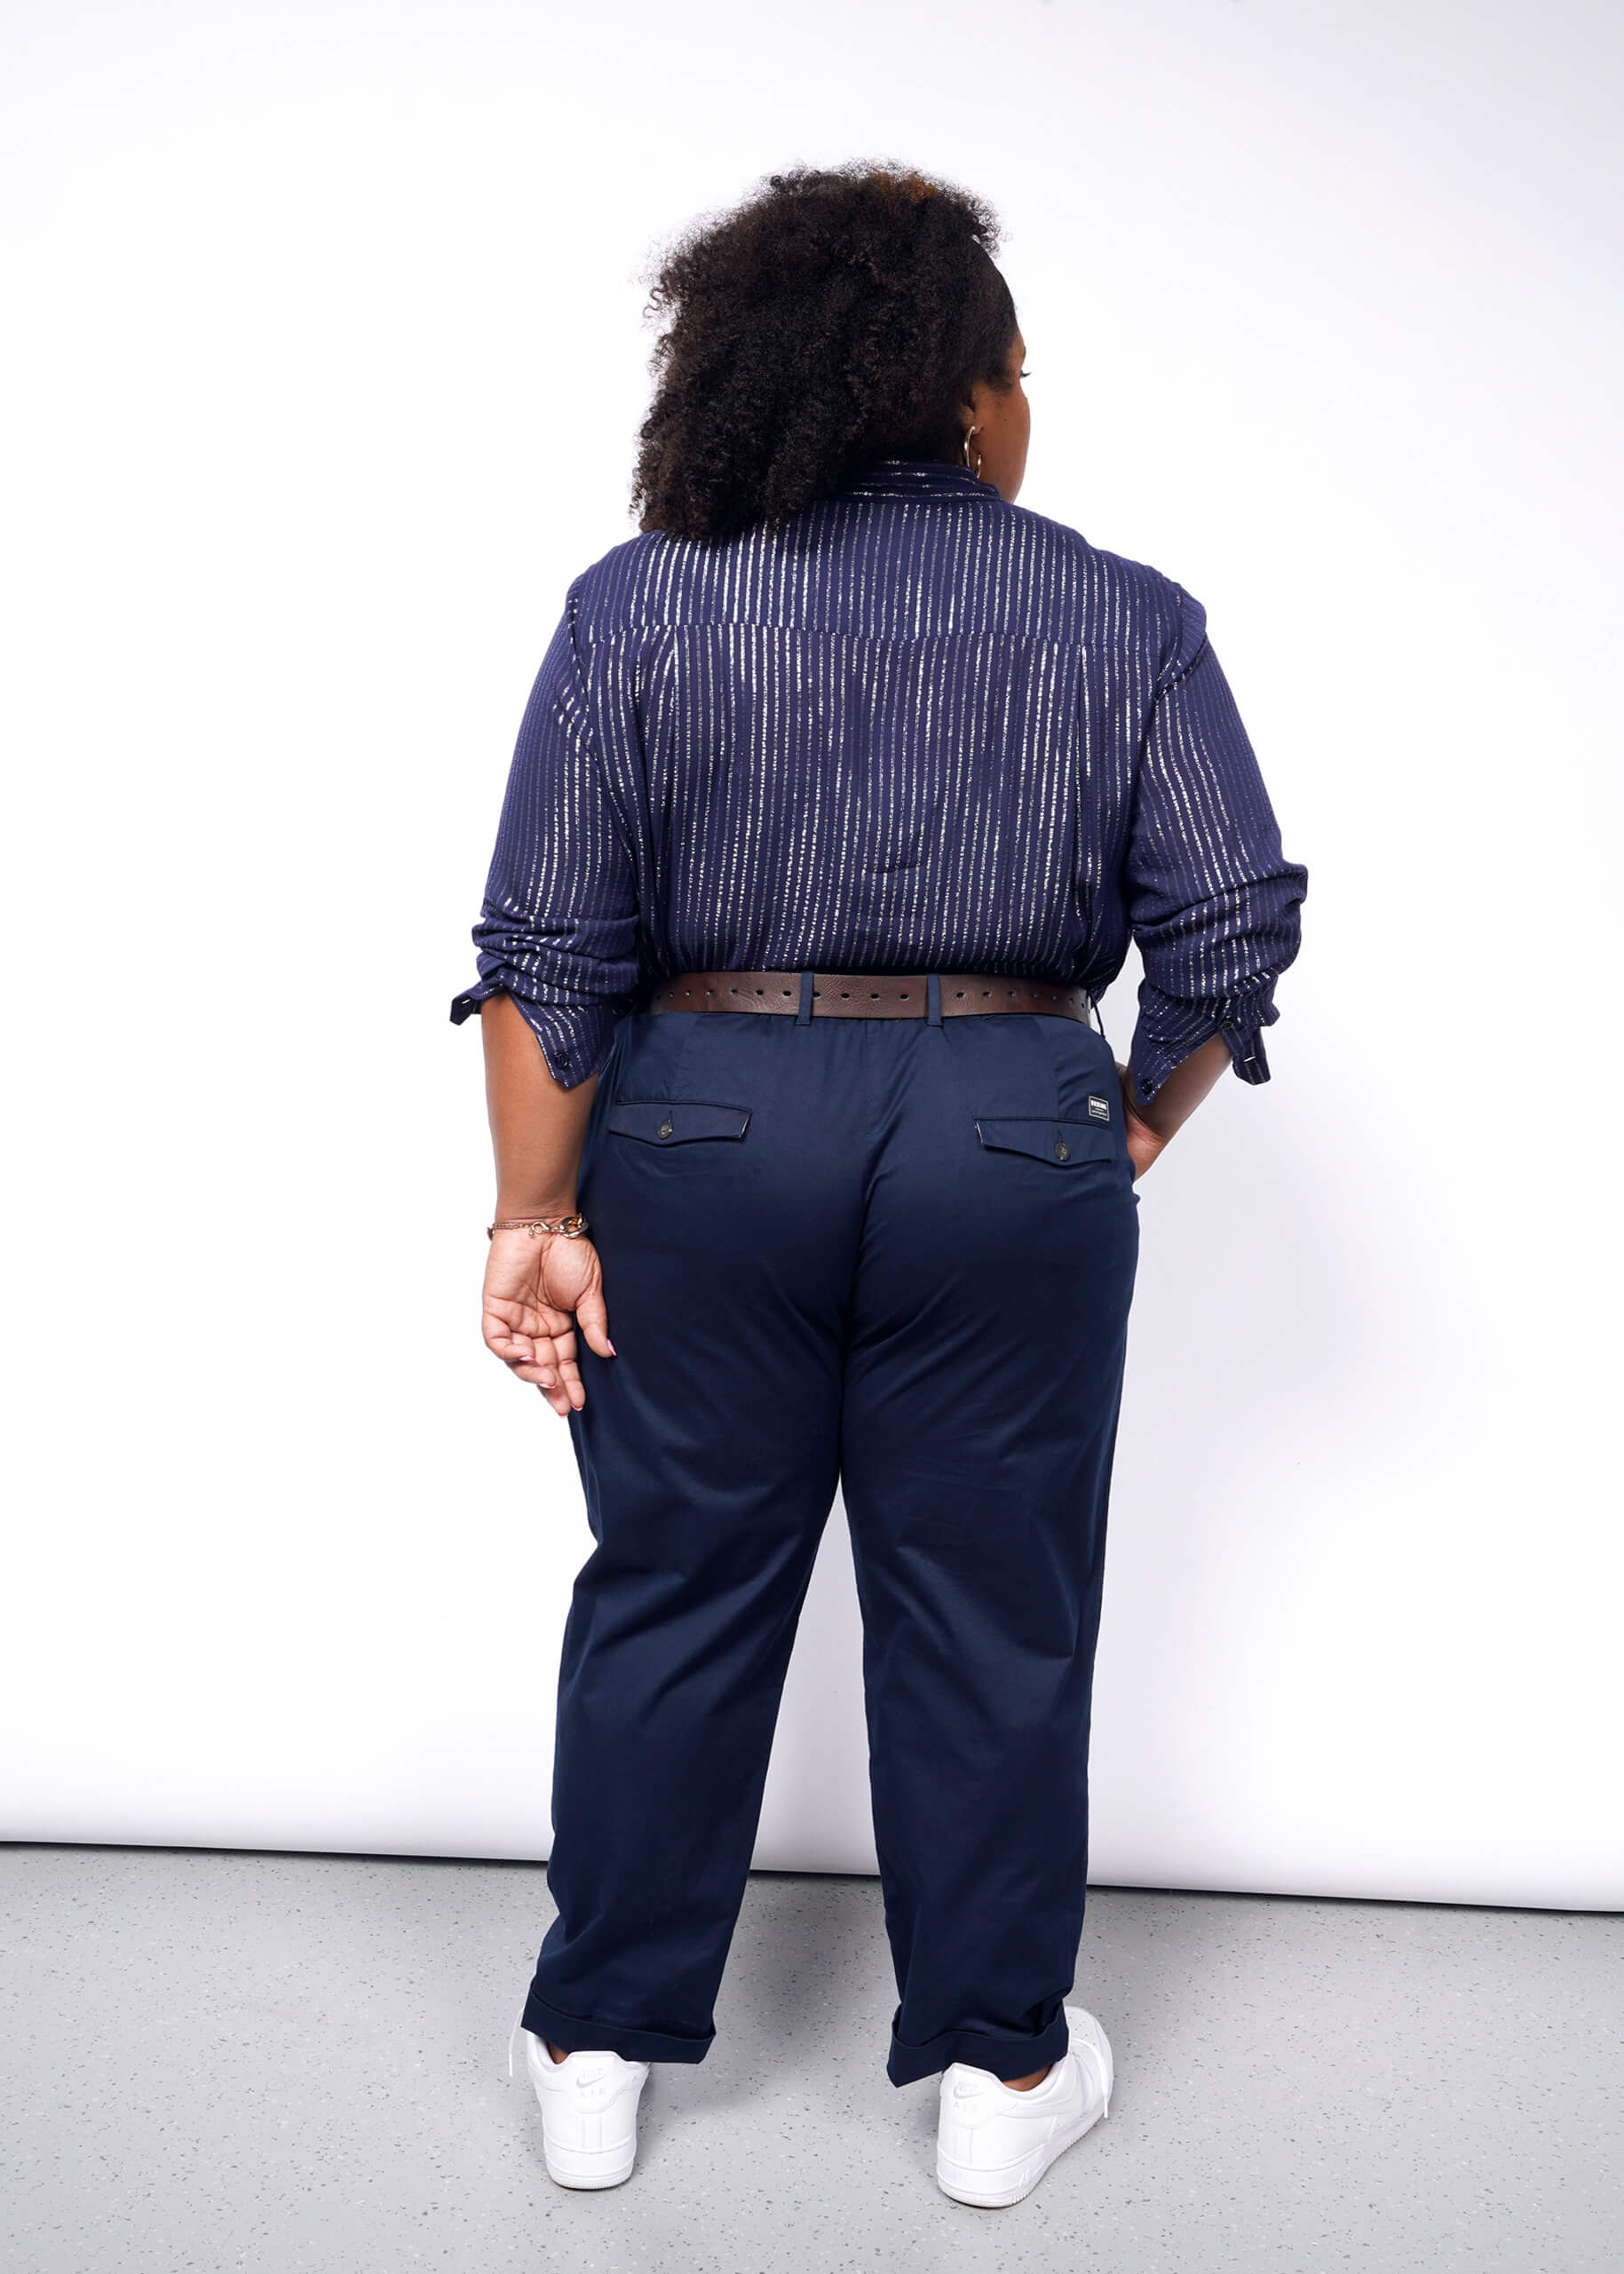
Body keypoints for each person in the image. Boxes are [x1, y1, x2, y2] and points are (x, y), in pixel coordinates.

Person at [451, 160, 1307, 2207]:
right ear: (965, 396)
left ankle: (596, 2045)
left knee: (670, 1585)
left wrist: (530, 1218)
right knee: (992, 1609)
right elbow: (1235, 923)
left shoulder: (646, 601)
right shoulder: (1121, 614)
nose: (1030, 415)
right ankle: (1002, 2083)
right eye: (1018, 377)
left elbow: (551, 945)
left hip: (703, 1133)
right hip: (1008, 1125)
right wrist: (1121, 1122)